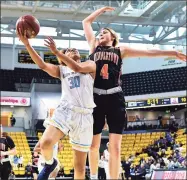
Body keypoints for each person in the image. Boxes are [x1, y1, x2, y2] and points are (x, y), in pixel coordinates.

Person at [82, 6, 186, 179]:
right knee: (94, 144)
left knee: (115, 148)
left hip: (115, 97)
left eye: (104, 33)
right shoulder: (93, 48)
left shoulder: (121, 50)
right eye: (99, 34)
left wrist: (172, 52)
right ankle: (93, 176)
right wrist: (100, 10)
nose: (100, 35)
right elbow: (86, 22)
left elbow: (149, 52)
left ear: (113, 37)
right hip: (96, 97)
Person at [17, 29, 96, 180]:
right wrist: (27, 44)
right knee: (45, 143)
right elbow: (41, 64)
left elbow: (78, 68)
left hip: (85, 116)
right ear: (63, 58)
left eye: (75, 49)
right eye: (69, 50)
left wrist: (57, 52)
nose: (73, 49)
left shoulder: (90, 65)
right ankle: (49, 163)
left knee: (79, 167)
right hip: (65, 110)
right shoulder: (62, 69)